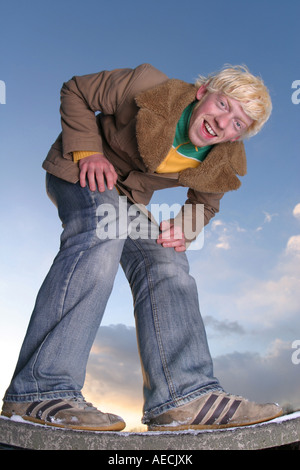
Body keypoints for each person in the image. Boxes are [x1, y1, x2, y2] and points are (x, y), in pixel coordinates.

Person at [2, 63, 282, 431]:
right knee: (104, 228)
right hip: (79, 169)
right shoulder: (146, 85)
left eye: (238, 124)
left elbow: (206, 203)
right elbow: (76, 90)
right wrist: (88, 151)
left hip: (128, 199)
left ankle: (184, 396)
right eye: (224, 106)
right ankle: (39, 388)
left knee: (167, 260)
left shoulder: (224, 157)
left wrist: (184, 228)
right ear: (203, 93)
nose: (224, 123)